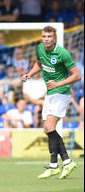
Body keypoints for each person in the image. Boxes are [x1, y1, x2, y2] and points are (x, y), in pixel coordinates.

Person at [21, 26, 81, 179]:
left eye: (49, 36)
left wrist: (58, 84)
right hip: (50, 93)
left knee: (49, 127)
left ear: (54, 38)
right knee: (46, 129)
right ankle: (61, 164)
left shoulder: (63, 54)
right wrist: (29, 74)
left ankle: (60, 164)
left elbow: (77, 76)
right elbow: (39, 64)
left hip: (61, 92)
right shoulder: (40, 48)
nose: (46, 38)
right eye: (44, 36)